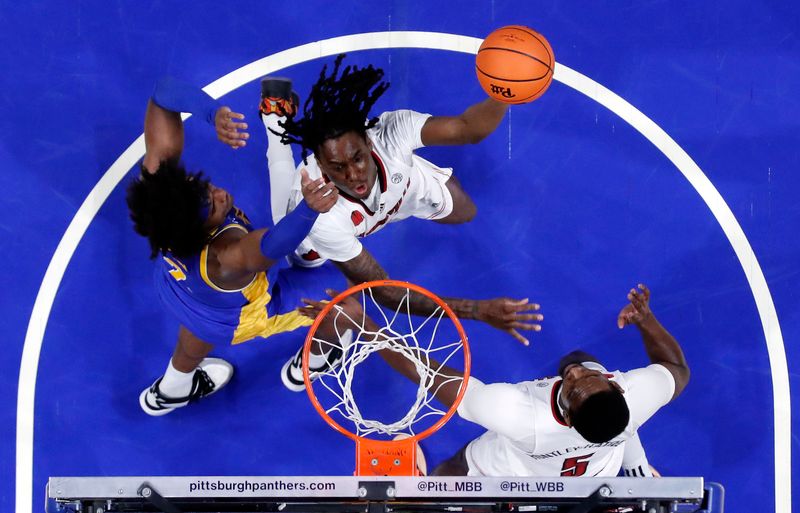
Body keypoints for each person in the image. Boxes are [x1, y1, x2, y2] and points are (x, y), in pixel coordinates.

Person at [257, 55, 544, 389]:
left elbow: (469, 128)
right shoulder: (319, 217)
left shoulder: (392, 133)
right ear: (320, 163)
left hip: (402, 192)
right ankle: (276, 126)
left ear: (368, 140)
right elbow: (386, 292)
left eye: (357, 158)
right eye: (337, 167)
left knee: (465, 210)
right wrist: (476, 310)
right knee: (308, 265)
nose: (353, 175)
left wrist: (503, 94)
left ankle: (282, 126)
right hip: (318, 234)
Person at [126, 76, 351, 415]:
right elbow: (276, 243)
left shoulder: (163, 195)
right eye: (215, 206)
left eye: (207, 187)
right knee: (344, 298)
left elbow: (162, 97)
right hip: (242, 315)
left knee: (199, 325)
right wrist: (309, 208)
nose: (220, 195)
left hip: (179, 290)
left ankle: (172, 388)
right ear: (201, 231)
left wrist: (211, 113)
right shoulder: (228, 256)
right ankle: (319, 357)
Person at [301, 283, 688, 477]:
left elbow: (429, 374)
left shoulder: (515, 414)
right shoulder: (637, 397)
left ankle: (422, 485)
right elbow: (677, 368)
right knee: (582, 357)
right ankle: (637, 465)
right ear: (618, 385)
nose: (573, 375)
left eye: (571, 388)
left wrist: (364, 325)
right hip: (594, 469)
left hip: (507, 471)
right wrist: (647, 321)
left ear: (567, 416)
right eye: (588, 378)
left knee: (452, 472)